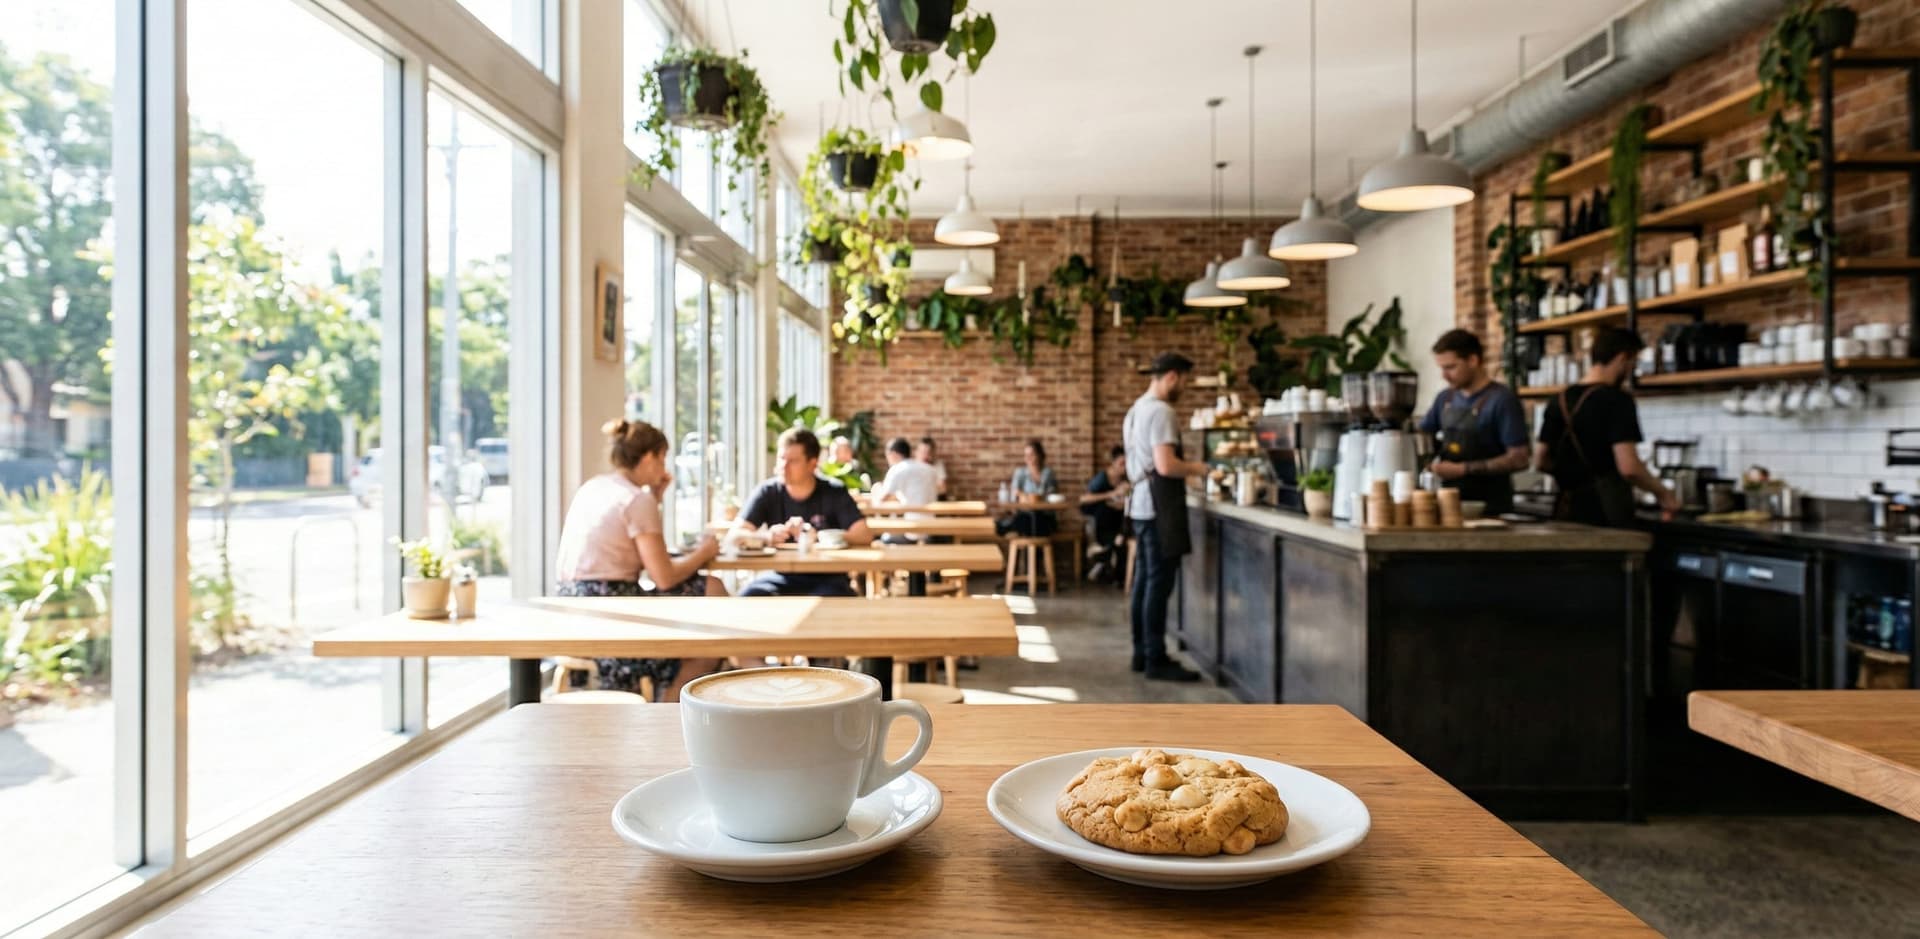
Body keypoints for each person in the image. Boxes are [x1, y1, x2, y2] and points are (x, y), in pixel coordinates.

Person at [552, 419, 728, 701]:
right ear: (649, 457)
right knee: (712, 616)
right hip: (612, 616)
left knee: (705, 599)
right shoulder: (636, 499)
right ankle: (666, 714)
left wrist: (655, 497)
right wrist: (704, 553)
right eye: (663, 458)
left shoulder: (595, 487)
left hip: (572, 609)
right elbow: (664, 577)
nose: (664, 467)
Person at [1535, 327, 1680, 526]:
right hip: (1605, 513)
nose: (1632, 370)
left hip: (1565, 510)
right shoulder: (1617, 401)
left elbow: (1541, 460)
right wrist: (1663, 493)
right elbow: (1629, 467)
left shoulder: (1558, 400)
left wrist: (1571, 474)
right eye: (1633, 363)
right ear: (1622, 359)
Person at [1124, 353, 1210, 682]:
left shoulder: (1135, 410)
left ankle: (1140, 653)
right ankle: (1155, 658)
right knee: (1157, 586)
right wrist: (1200, 468)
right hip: (1159, 508)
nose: (1184, 387)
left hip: (1142, 507)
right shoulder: (1161, 411)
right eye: (1184, 380)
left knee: (1145, 583)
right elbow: (1165, 465)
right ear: (1172, 377)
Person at [733, 428, 873, 596]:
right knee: (750, 596)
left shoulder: (834, 491)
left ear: (812, 464)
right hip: (780, 576)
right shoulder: (767, 491)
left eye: (793, 461)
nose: (783, 467)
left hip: (828, 577)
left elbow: (864, 534)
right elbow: (734, 536)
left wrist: (818, 536)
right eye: (781, 459)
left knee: (833, 602)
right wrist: (766, 537)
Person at [1417, 329, 1531, 515]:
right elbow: (1423, 436)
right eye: (1442, 368)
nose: (1444, 376)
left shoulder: (1502, 400)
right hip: (1449, 504)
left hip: (1492, 507)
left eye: (1451, 367)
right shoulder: (1445, 399)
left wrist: (1464, 469)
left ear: (1473, 360)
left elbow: (1520, 458)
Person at [872, 437, 941, 543]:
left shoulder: (897, 469)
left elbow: (881, 500)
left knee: (885, 538)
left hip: (912, 530)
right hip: (933, 527)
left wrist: (876, 488)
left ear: (893, 454)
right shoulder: (929, 469)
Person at [1081, 446, 1131, 583]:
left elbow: (1128, 501)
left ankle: (1105, 561)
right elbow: (1084, 499)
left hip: (1118, 520)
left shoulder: (1126, 479)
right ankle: (1106, 559)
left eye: (1127, 463)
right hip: (1101, 523)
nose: (1125, 467)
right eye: (1122, 463)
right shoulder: (1102, 478)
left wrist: (1124, 499)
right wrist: (1112, 494)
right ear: (1113, 462)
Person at [998, 439, 1060, 537]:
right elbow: (1015, 497)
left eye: (1032, 455)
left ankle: (1007, 526)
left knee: (1035, 519)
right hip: (1025, 515)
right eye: (1026, 455)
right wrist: (1023, 496)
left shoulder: (1048, 474)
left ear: (1040, 455)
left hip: (1044, 516)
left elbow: (1050, 497)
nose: (1028, 458)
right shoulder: (1020, 473)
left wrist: (1026, 496)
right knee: (1028, 520)